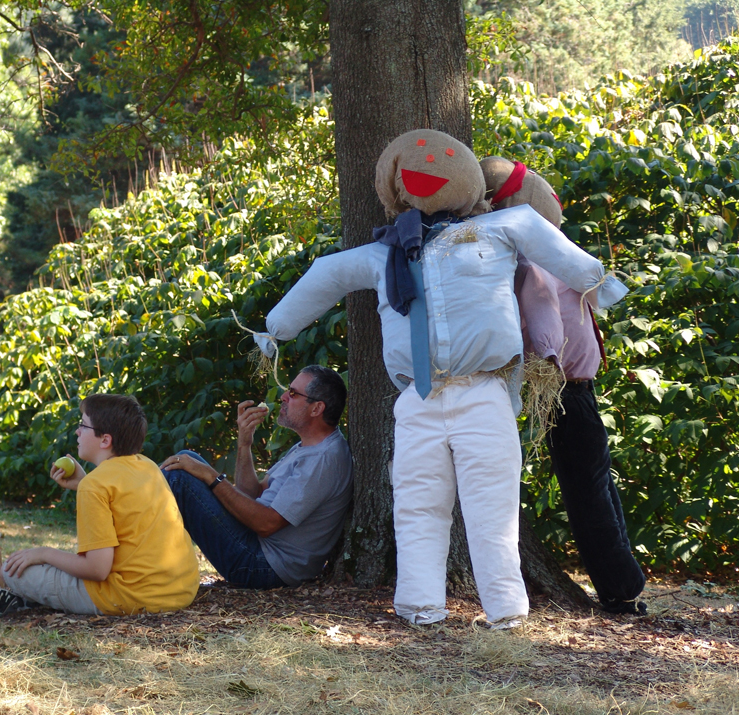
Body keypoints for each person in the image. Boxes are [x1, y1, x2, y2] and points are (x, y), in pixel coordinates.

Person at [252, 130, 629, 628]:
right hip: (417, 399)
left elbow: (551, 245)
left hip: (484, 391)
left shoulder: (500, 228)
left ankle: (507, 610)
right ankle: (420, 605)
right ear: (395, 182)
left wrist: (600, 284)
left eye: (446, 158)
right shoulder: (384, 254)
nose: (430, 163)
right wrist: (275, 329)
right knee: (416, 503)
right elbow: (326, 274)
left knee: (492, 507)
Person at [481, 155, 647, 615]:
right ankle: (621, 588)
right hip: (561, 387)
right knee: (587, 486)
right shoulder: (528, 259)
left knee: (595, 482)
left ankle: (623, 581)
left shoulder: (548, 252)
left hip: (574, 387)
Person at [0, 394, 199, 617]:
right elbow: (121, 502)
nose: (77, 431)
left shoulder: (95, 486)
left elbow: (97, 570)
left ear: (105, 440)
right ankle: (27, 600)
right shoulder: (148, 466)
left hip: (128, 598)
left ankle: (25, 599)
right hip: (180, 590)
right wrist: (84, 482)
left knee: (12, 571)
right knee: (50, 563)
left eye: (83, 425)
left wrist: (43, 553)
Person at [161, 365, 353, 589]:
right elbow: (252, 493)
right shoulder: (307, 447)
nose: (283, 397)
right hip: (257, 547)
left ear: (316, 408)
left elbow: (266, 524)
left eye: (293, 393)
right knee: (186, 458)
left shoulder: (323, 459)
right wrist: (244, 443)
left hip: (265, 566)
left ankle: (134, 560)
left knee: (181, 479)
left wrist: (211, 476)